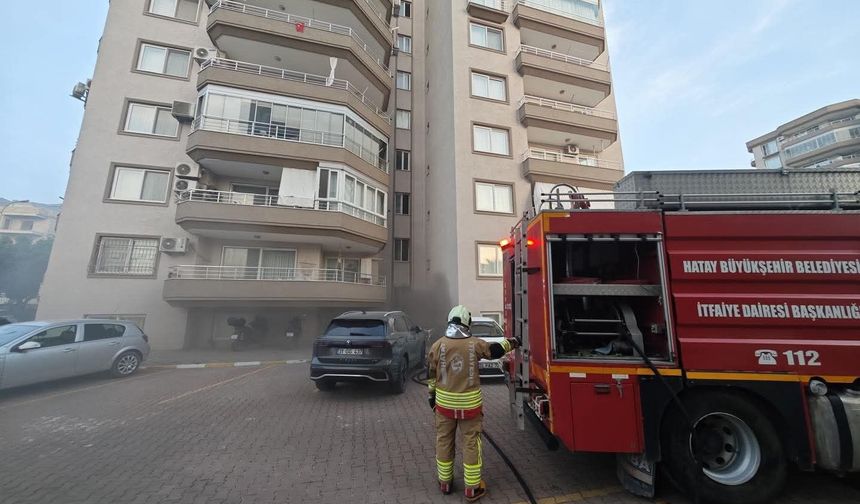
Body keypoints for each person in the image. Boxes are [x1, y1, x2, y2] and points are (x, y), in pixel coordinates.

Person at [427, 305, 519, 501]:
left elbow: (431, 376)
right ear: (467, 322)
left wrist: (431, 397)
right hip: (470, 407)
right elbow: (495, 350)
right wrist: (513, 342)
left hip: (444, 406)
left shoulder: (437, 345)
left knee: (444, 440)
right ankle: (472, 488)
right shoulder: (474, 344)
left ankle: (445, 483)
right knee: (471, 443)